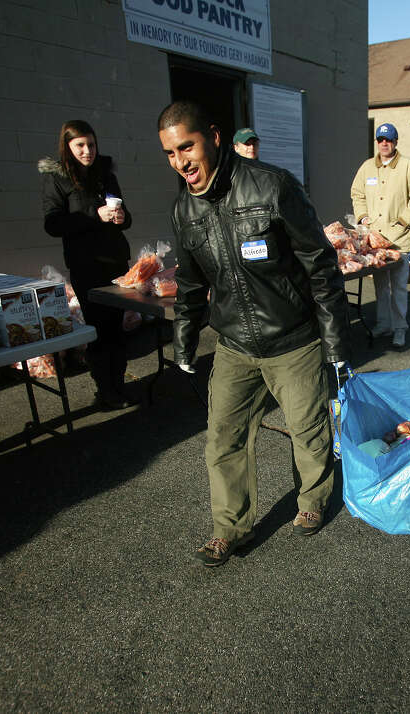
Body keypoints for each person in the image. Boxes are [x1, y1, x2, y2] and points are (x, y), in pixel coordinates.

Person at [157, 100, 352, 566]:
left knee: (307, 431)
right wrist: (183, 346)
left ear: (215, 137)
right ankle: (229, 527)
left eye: (187, 147)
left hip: (293, 340)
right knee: (222, 439)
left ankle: (312, 502)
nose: (181, 162)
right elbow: (189, 284)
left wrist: (335, 344)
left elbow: (321, 265)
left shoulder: (273, 186)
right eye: (169, 153)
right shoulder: (185, 210)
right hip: (234, 347)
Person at [40, 119, 137, 410]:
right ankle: (105, 391)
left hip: (115, 262)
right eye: (80, 145)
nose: (87, 151)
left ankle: (119, 386)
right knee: (98, 330)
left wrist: (122, 218)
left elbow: (125, 215)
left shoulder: (105, 173)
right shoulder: (57, 178)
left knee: (116, 329)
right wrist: (95, 216)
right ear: (68, 147)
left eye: (91, 145)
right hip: (87, 265)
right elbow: (52, 224)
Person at [350, 122, 410, 347]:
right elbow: (357, 194)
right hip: (375, 240)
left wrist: (404, 221)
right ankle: (384, 324)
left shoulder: (408, 167)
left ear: (395, 142)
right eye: (381, 140)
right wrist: (363, 217)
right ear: (377, 142)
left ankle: (400, 328)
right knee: (381, 286)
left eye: (389, 140)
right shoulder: (366, 168)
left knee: (399, 287)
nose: (385, 143)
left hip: (399, 239)